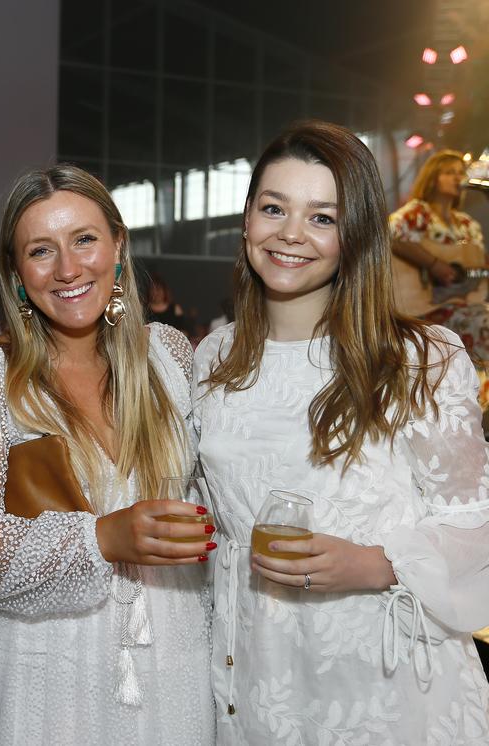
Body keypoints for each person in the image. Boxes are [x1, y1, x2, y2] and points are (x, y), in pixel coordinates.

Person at [194, 121, 489, 744]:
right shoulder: (213, 360)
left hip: (381, 681)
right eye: (274, 208)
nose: (291, 234)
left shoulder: (418, 361)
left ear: (353, 235)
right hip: (251, 677)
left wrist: (377, 565)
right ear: (247, 219)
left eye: (321, 217)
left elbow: (476, 522)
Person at [0, 165, 215, 745]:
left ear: (118, 245)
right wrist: (101, 538)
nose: (67, 269)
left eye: (84, 239)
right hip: (42, 669)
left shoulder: (169, 356)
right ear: (16, 274)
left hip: (173, 655)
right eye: (41, 250)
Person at [389, 149, 486, 318]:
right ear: (432, 179)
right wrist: (433, 265)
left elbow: (477, 267)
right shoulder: (417, 214)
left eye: (461, 172)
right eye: (449, 172)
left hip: (460, 305)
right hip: (423, 308)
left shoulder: (467, 224)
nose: (458, 178)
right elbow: (389, 237)